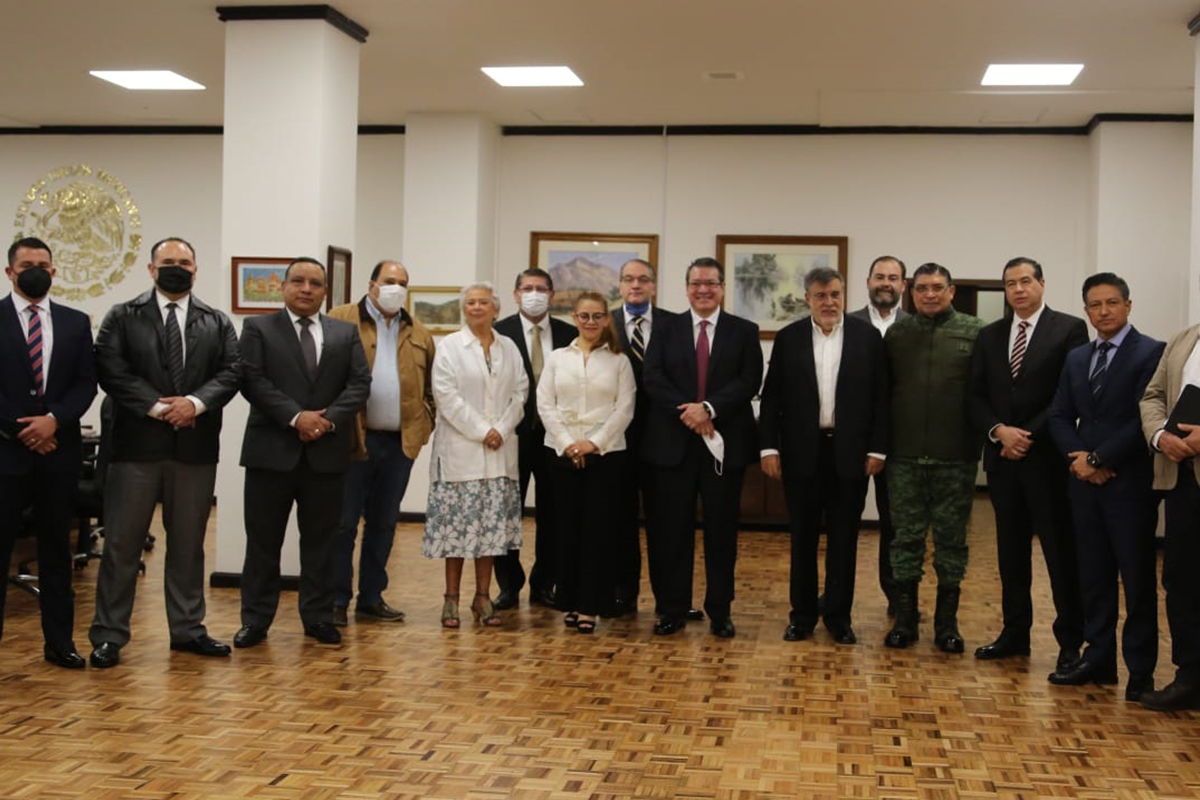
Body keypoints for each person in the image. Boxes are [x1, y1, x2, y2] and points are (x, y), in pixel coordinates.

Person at [88, 237, 240, 668]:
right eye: (168, 262)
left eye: (185, 262)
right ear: (151, 269)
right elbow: (111, 370)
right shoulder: (122, 316)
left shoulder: (216, 321)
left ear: (196, 269)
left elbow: (232, 370)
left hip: (194, 448)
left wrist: (194, 404)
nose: (177, 268)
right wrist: (159, 407)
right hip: (135, 448)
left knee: (189, 544)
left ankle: (188, 629)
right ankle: (109, 635)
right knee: (122, 544)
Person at [234, 258, 371, 648]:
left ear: (326, 291)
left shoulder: (344, 333)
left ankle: (318, 616)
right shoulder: (258, 328)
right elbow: (252, 381)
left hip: (326, 453)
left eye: (315, 283)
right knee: (262, 542)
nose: (306, 289)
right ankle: (256, 621)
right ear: (284, 287)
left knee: (321, 543)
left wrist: (326, 421)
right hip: (271, 453)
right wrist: (296, 417)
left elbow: (360, 384)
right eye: (298, 281)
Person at [1046, 273, 1163, 702]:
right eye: (1095, 305)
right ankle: (1098, 660)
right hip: (1085, 485)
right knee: (1092, 577)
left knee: (1135, 580)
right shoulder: (1078, 357)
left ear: (1128, 305)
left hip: (1129, 484)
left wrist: (1099, 459)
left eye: (1112, 302)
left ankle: (1141, 671)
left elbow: (1143, 418)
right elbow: (1059, 415)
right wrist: (1080, 459)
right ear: (1086, 311)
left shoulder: (1151, 352)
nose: (1104, 311)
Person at [969, 257, 1088, 671]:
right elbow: (976, 395)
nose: (1018, 289)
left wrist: (1026, 435)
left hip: (1047, 460)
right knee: (1010, 552)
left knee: (1059, 552)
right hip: (1002, 460)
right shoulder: (990, 335)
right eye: (1010, 283)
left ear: (1041, 283)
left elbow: (1066, 394)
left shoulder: (1069, 329)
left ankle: (1071, 641)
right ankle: (1015, 633)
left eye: (1025, 281)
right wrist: (1000, 431)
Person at [760, 267, 889, 645]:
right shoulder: (789, 338)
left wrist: (878, 448)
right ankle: (801, 616)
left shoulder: (868, 338)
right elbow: (772, 398)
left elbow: (882, 398)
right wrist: (769, 447)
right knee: (802, 539)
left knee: (844, 540)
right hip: (801, 453)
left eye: (834, 294)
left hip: (851, 454)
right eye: (820, 296)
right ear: (807, 299)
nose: (829, 302)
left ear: (844, 295)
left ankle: (837, 616)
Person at [641, 257, 763, 638]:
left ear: (723, 287)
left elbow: (749, 379)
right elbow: (653, 377)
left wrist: (709, 409)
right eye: (696, 283)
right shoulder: (665, 328)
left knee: (721, 532)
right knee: (669, 532)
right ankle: (672, 609)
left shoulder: (744, 330)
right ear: (687, 287)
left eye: (711, 283)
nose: (703, 290)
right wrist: (690, 412)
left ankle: (720, 610)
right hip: (671, 446)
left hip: (723, 446)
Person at [0, 237, 97, 669]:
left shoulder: (76, 322)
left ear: (54, 271)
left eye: (43, 264)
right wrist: (25, 429)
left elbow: (85, 384)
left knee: (57, 550)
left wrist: (53, 420)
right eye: (26, 265)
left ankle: (60, 644)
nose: (35, 270)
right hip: (6, 453)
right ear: (10, 272)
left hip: (59, 453)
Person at [327, 260, 436, 627]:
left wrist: (423, 428)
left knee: (384, 524)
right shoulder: (339, 319)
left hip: (398, 446)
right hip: (351, 441)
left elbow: (430, 392)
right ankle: (337, 599)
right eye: (389, 281)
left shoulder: (418, 332)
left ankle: (371, 597)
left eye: (403, 282)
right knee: (342, 524)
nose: (396, 288)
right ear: (372, 283)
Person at [884, 262, 984, 652]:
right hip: (904, 457)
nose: (929, 294)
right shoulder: (898, 333)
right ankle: (906, 621)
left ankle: (947, 625)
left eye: (937, 287)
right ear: (911, 291)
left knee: (951, 543)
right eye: (922, 288)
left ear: (952, 290)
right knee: (905, 540)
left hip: (955, 458)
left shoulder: (975, 332)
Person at [423, 283, 527, 628]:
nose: (477, 307)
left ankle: (483, 597)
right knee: (457, 533)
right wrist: (485, 431)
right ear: (463, 309)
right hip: (462, 453)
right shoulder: (450, 347)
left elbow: (520, 391)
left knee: (491, 534)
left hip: (500, 454)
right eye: (470, 302)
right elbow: (446, 396)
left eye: (484, 302)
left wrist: (503, 427)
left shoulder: (509, 347)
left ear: (495, 309)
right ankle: (450, 599)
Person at [537, 292, 635, 633]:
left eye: (597, 316)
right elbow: (545, 404)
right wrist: (568, 444)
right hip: (561, 453)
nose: (590, 322)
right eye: (584, 316)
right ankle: (570, 600)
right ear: (574, 318)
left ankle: (591, 605)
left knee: (598, 531)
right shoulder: (557, 358)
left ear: (606, 320)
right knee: (567, 530)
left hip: (605, 455)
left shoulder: (619, 361)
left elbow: (625, 408)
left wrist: (591, 444)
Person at [492, 269, 576, 609]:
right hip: (512, 436)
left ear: (552, 295)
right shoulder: (500, 333)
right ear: (515, 294)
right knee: (507, 510)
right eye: (527, 288)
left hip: (556, 437)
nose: (535, 294)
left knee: (554, 513)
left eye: (541, 289)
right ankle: (508, 585)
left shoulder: (570, 334)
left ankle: (545, 583)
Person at [1139, 295, 1200, 711]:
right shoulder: (1183, 339)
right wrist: (1162, 437)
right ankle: (1189, 676)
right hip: (1181, 477)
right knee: (1181, 580)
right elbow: (1153, 396)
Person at [609, 258, 679, 617]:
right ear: (619, 285)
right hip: (616, 439)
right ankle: (624, 592)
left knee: (665, 523)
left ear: (653, 285)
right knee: (621, 522)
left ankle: (670, 600)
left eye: (643, 280)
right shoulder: (603, 324)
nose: (635, 285)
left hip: (664, 438)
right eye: (628, 279)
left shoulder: (673, 324)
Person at [848, 255, 908, 614]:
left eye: (893, 277)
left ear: (903, 285)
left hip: (899, 442)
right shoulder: (846, 322)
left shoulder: (915, 326)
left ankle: (897, 599)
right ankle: (837, 596)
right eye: (879, 276)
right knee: (844, 521)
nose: (886, 283)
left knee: (896, 524)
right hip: (850, 440)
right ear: (868, 281)